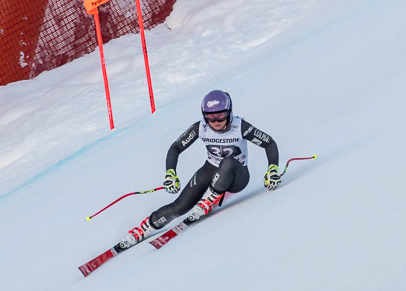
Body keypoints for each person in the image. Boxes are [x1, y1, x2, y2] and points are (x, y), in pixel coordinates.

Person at [117, 89, 282, 250]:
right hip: (210, 169)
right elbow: (175, 148)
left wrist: (272, 169)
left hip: (237, 176)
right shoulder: (200, 128)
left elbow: (269, 143)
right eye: (210, 117)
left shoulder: (240, 126)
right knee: (179, 207)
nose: (216, 121)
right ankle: (145, 228)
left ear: (230, 112)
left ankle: (210, 198)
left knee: (228, 162)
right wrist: (170, 173)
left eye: (221, 116)